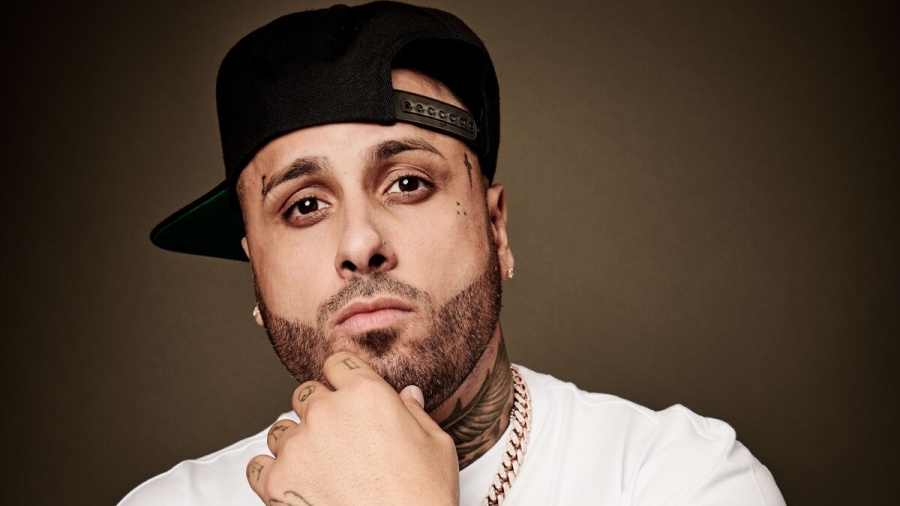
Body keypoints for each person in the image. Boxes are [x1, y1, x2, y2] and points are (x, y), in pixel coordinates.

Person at [120, 2, 785, 505]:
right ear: (255, 273)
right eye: (304, 206)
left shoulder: (679, 479)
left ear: (496, 229)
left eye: (408, 184)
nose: (360, 244)